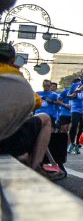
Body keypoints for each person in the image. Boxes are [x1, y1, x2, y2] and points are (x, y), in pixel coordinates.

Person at [0, 42, 58, 179]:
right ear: (13, 60)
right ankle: (35, 167)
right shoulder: (16, 77)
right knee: (45, 118)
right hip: (8, 140)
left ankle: (24, 158)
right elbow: (35, 102)